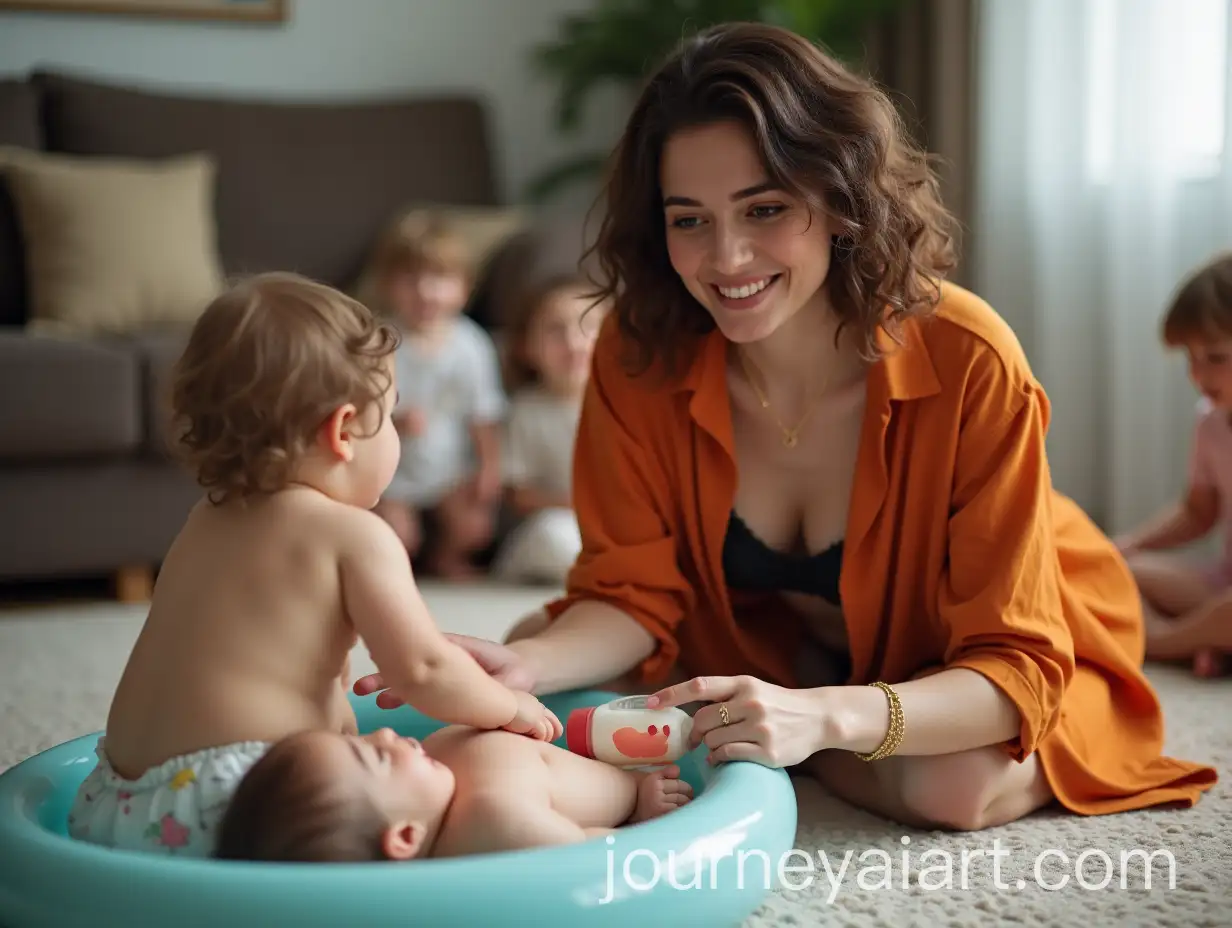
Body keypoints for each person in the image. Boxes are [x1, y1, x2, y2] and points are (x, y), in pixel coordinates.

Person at [356, 22, 1218, 832]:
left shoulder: (970, 357)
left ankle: (789, 734)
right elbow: (631, 592)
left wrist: (823, 716)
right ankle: (774, 720)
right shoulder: (636, 348)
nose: (726, 259)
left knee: (949, 785)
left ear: (841, 200)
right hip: (763, 643)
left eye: (765, 210)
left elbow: (1010, 665)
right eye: (689, 219)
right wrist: (533, 671)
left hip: (969, 642)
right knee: (531, 650)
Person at [66, 272, 560, 859]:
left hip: (114, 803)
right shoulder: (354, 535)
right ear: (345, 430)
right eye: (392, 414)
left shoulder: (207, 516)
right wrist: (512, 708)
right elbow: (424, 671)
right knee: (464, 786)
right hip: (250, 802)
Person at [213, 724, 692, 862]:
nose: (382, 733)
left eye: (358, 740)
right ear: (404, 836)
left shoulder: (436, 763)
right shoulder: (497, 825)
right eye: (375, 757)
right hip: (639, 781)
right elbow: (591, 853)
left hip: (598, 733)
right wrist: (641, 816)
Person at [359, 209, 507, 578]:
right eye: (410, 279)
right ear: (387, 284)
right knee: (395, 537)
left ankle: (445, 557)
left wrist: (490, 467)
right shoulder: (380, 343)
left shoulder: (471, 344)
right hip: (393, 475)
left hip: (449, 471)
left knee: (475, 528)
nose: (426, 291)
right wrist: (392, 421)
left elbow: (483, 414)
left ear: (464, 286)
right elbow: (358, 412)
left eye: (440, 278)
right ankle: (399, 570)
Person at [1116, 252, 1232, 678]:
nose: (1198, 374)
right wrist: (1129, 544)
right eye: (1190, 357)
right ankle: (1207, 638)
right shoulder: (1210, 423)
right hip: (1219, 587)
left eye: (1216, 358)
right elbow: (1198, 513)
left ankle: (1165, 642)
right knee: (1118, 573)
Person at [490, 274, 607, 584]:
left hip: (620, 527)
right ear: (526, 346)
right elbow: (518, 494)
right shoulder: (526, 411)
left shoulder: (633, 405)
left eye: (588, 325)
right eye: (556, 330)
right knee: (554, 536)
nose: (573, 342)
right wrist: (578, 505)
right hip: (562, 524)